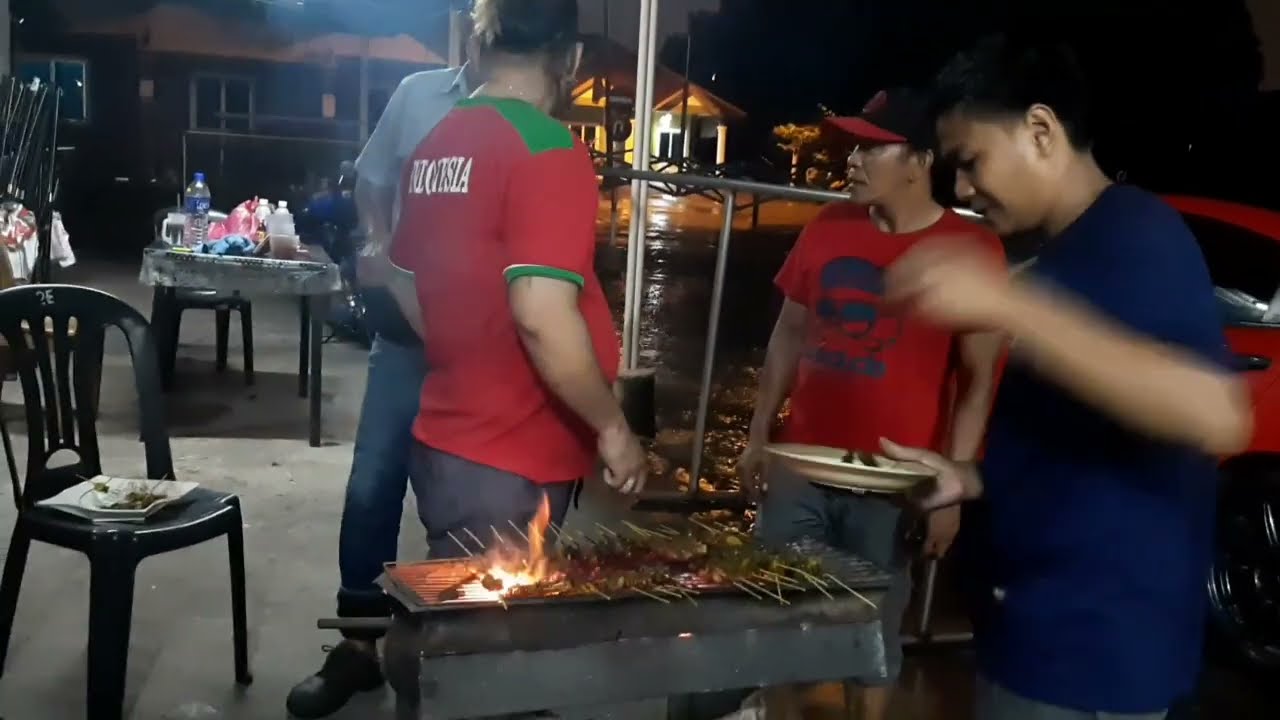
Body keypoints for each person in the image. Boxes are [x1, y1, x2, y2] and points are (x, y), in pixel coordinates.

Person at [879, 36, 1252, 720]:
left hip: (1088, 663)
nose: (960, 189)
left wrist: (1010, 303)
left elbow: (1218, 415)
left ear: (1041, 131)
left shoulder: (1137, 235)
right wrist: (968, 479)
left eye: (970, 163)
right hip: (1037, 641)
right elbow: (1082, 442)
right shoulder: (1061, 256)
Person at [737, 88, 1005, 720]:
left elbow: (978, 380)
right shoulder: (828, 226)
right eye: (853, 147)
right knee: (779, 620)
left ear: (918, 161)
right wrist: (757, 437)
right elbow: (788, 334)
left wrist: (951, 493)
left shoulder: (971, 252)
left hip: (893, 483)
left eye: (870, 148)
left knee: (871, 637)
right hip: (800, 466)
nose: (852, 161)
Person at [386, 0, 647, 567]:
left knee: (459, 620)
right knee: (485, 644)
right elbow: (540, 313)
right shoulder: (549, 149)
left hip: (449, 440)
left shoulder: (434, 146)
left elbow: (406, 283)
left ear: (478, 50)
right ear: (571, 59)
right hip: (511, 459)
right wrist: (611, 426)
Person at [285, 60, 480, 719]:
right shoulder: (417, 93)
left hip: (484, 344)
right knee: (372, 483)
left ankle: (453, 652)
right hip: (404, 332)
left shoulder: (531, 111)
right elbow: (371, 179)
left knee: (463, 502)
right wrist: (378, 239)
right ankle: (360, 648)